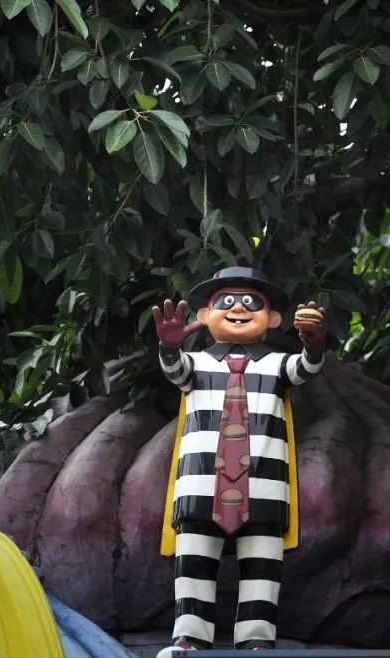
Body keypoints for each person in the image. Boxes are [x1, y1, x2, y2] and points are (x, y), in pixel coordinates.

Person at [153, 267, 326, 656]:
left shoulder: (277, 365)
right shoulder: (196, 364)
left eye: (251, 303)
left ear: (273, 319)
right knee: (194, 565)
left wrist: (314, 347)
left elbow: (305, 368)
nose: (239, 309)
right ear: (204, 315)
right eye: (226, 301)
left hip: (264, 483)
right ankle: (189, 638)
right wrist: (169, 349)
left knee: (263, 568)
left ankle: (257, 640)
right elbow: (175, 371)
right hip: (200, 484)